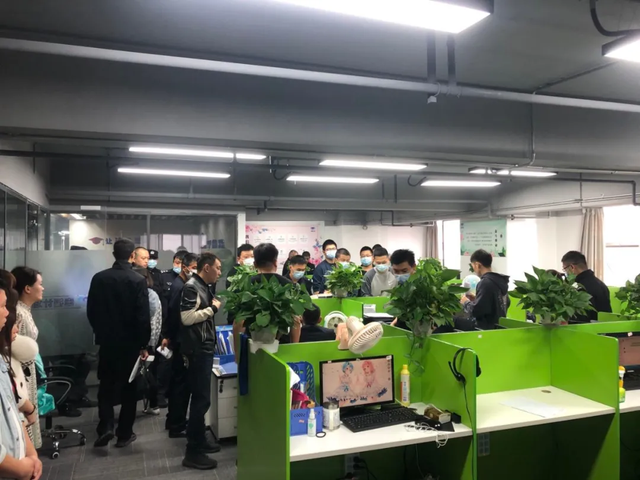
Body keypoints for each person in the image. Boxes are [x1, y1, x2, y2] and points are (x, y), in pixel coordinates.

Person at [87, 239, 151, 448]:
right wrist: (144, 345)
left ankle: (106, 426)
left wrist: (101, 332)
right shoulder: (137, 280)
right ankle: (124, 433)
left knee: (106, 385)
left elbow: (91, 311)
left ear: (114, 254)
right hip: (131, 344)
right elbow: (143, 317)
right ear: (132, 256)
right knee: (129, 388)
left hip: (107, 342)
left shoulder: (99, 278)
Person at [179, 253, 222, 470]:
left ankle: (200, 440)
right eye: (217, 268)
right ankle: (193, 451)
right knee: (200, 400)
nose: (219, 272)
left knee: (202, 399)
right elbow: (186, 318)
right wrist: (213, 309)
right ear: (206, 267)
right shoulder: (192, 287)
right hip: (196, 350)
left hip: (203, 347)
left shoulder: (203, 286)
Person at [0, 278, 43, 480]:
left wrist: (31, 455)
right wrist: (20, 469)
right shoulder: (19, 314)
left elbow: (11, 409)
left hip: (17, 452)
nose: (6, 313)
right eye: (3, 307)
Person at [233, 243, 301, 345]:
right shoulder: (288, 285)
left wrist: (238, 352)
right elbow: (296, 321)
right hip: (281, 344)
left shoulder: (246, 285)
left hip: (252, 344)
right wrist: (294, 347)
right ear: (275, 262)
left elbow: (238, 322)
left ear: (255, 264)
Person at [12, 267, 45, 447]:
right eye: (40, 284)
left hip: (29, 373)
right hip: (21, 375)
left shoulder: (25, 311)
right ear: (27, 288)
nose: (43, 288)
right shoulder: (18, 313)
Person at [165, 252, 198, 438]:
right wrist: (170, 337)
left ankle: (173, 420)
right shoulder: (181, 287)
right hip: (181, 340)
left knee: (178, 383)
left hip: (178, 339)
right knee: (181, 385)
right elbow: (174, 316)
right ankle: (177, 425)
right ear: (185, 267)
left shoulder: (181, 284)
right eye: (194, 268)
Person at [132, 266, 163, 416]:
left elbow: (144, 319)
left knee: (145, 374)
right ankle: (153, 404)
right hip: (151, 339)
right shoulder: (152, 294)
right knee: (149, 372)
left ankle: (152, 403)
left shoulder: (147, 295)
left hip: (145, 341)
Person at [461, 249, 510, 330]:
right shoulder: (500, 281)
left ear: (478, 265)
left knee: (453, 321)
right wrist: (477, 299)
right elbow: (501, 303)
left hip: (485, 329)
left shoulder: (485, 283)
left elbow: (476, 311)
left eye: (473, 266)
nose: (474, 270)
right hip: (498, 327)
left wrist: (465, 302)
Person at [561, 251, 611, 322]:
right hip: (605, 326)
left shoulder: (579, 287)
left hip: (587, 327)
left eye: (565, 269)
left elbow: (580, 318)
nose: (566, 273)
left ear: (572, 267)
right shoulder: (601, 284)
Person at [225, 244, 254, 325]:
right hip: (237, 316)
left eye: (252, 256)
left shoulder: (257, 271)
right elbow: (234, 293)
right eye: (246, 257)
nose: (250, 259)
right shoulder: (233, 273)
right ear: (238, 259)